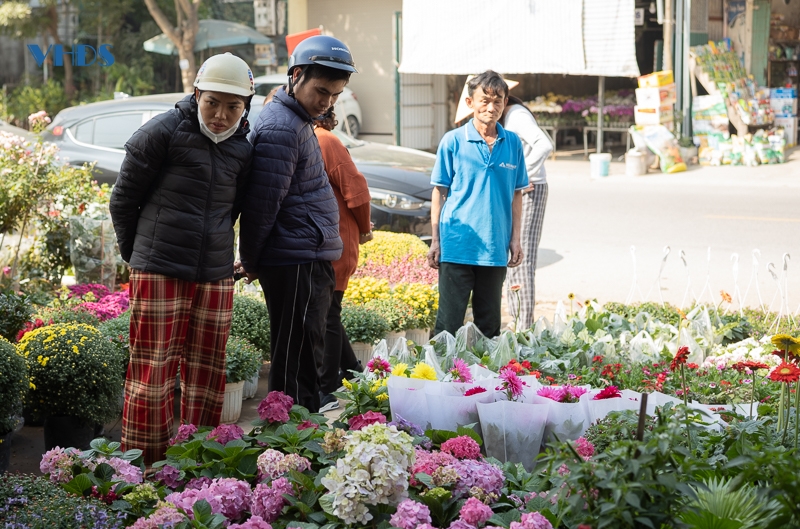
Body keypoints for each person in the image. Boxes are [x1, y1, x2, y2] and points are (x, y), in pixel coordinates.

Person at [109, 53, 255, 465]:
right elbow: (123, 200)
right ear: (196, 94)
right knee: (152, 373)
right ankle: (144, 466)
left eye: (233, 106)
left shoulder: (243, 149)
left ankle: (197, 464)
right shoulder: (162, 131)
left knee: (208, 373)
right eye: (213, 102)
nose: (221, 115)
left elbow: (236, 209)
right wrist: (138, 257)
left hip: (214, 274)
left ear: (246, 107)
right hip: (158, 270)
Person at [238, 35, 357, 413]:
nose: (327, 102)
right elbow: (261, 206)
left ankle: (300, 436)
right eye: (321, 91)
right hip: (295, 261)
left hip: (304, 255)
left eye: (335, 95)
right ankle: (286, 439)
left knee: (307, 356)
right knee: (294, 360)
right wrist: (252, 261)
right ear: (296, 75)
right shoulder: (281, 128)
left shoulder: (297, 118)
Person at [427, 70, 528, 338]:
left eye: (498, 101)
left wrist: (515, 239)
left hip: (494, 249)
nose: (491, 107)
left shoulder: (513, 143)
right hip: (457, 246)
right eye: (484, 100)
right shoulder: (453, 141)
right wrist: (436, 240)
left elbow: (517, 193)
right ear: (470, 103)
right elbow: (439, 192)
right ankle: (438, 377)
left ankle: (487, 379)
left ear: (505, 103)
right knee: (447, 326)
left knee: (490, 327)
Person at [313, 108, 372, 412]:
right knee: (329, 313)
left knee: (328, 316)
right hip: (328, 241)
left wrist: (364, 228)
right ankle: (352, 371)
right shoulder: (313, 138)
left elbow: (358, 193)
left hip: (336, 242)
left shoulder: (324, 141)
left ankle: (327, 388)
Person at [501, 95, 553, 329]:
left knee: (522, 259)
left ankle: (524, 329)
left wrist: (522, 176)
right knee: (512, 259)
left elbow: (544, 144)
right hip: (517, 189)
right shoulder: (507, 117)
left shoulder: (517, 115)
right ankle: (516, 323)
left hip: (529, 189)